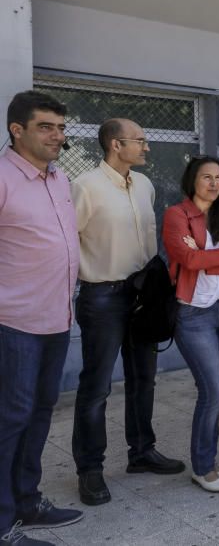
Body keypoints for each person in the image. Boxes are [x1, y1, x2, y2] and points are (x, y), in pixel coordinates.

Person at [72, 118, 185, 507]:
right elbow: (68, 243)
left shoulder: (145, 186)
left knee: (144, 379)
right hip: (102, 296)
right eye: (140, 140)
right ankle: (90, 469)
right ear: (115, 145)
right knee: (97, 386)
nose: (147, 147)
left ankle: (142, 452)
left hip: (144, 295)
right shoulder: (85, 186)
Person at [0, 91, 82, 546]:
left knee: (39, 413)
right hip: (13, 322)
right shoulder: (3, 177)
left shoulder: (58, 179)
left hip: (56, 318)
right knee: (9, 417)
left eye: (61, 127)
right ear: (18, 129)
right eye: (46, 126)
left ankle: (26, 501)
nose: (57, 135)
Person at [163, 156, 219, 492]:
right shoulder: (177, 214)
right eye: (206, 177)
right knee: (212, 389)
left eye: (218, 177)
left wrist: (208, 262)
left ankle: (209, 460)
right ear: (192, 180)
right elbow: (187, 259)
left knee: (214, 390)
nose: (214, 183)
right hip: (195, 313)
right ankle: (202, 467)